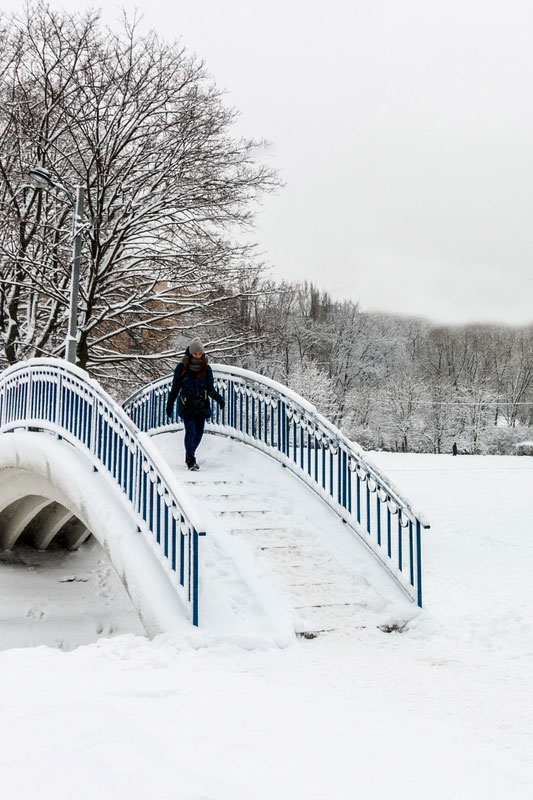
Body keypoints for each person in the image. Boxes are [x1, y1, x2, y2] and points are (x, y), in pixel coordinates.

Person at [166, 338, 225, 470]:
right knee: (191, 432)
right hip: (187, 405)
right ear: (190, 353)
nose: (197, 356)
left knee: (199, 433)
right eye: (195, 353)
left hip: (201, 405)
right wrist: (169, 405)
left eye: (199, 353)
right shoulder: (182, 367)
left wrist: (219, 399)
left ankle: (190, 454)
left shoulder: (206, 369)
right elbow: (175, 388)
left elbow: (210, 389)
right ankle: (191, 460)